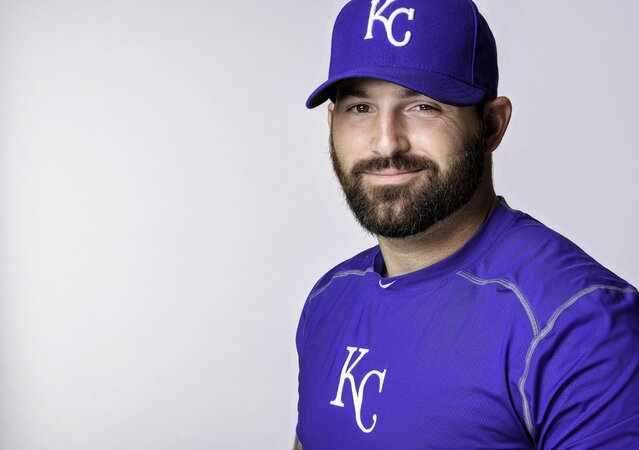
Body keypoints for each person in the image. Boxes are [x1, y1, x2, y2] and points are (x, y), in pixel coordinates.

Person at [294, 0, 639, 449]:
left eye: (423, 106)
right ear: (331, 123)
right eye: (360, 107)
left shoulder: (578, 326)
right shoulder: (329, 298)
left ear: (492, 125)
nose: (385, 143)